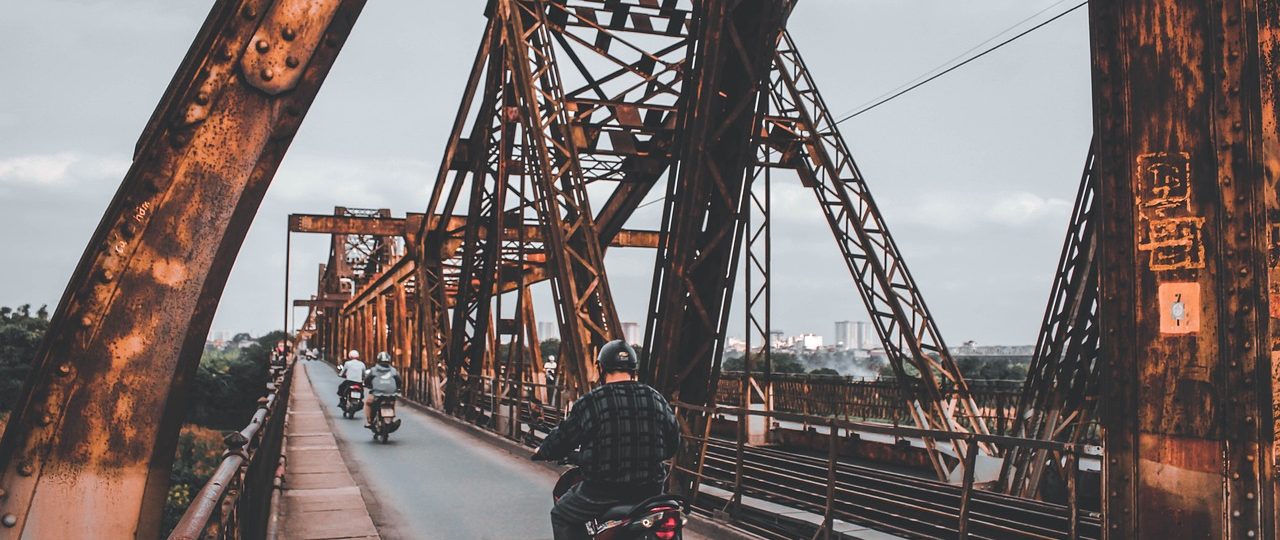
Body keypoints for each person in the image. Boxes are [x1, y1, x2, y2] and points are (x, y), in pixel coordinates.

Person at [531, 340, 680, 540]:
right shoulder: (656, 398)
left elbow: (563, 439)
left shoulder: (592, 401)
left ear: (601, 368)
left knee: (561, 514)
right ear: (633, 370)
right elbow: (672, 446)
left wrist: (543, 451)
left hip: (603, 491)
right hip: (650, 490)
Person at [363, 351, 403, 426]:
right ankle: (391, 419)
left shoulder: (374, 370)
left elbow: (367, 380)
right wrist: (397, 388)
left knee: (368, 403)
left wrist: (368, 386)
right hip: (391, 394)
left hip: (377, 394)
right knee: (392, 403)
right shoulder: (393, 370)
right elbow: (399, 381)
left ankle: (370, 421)